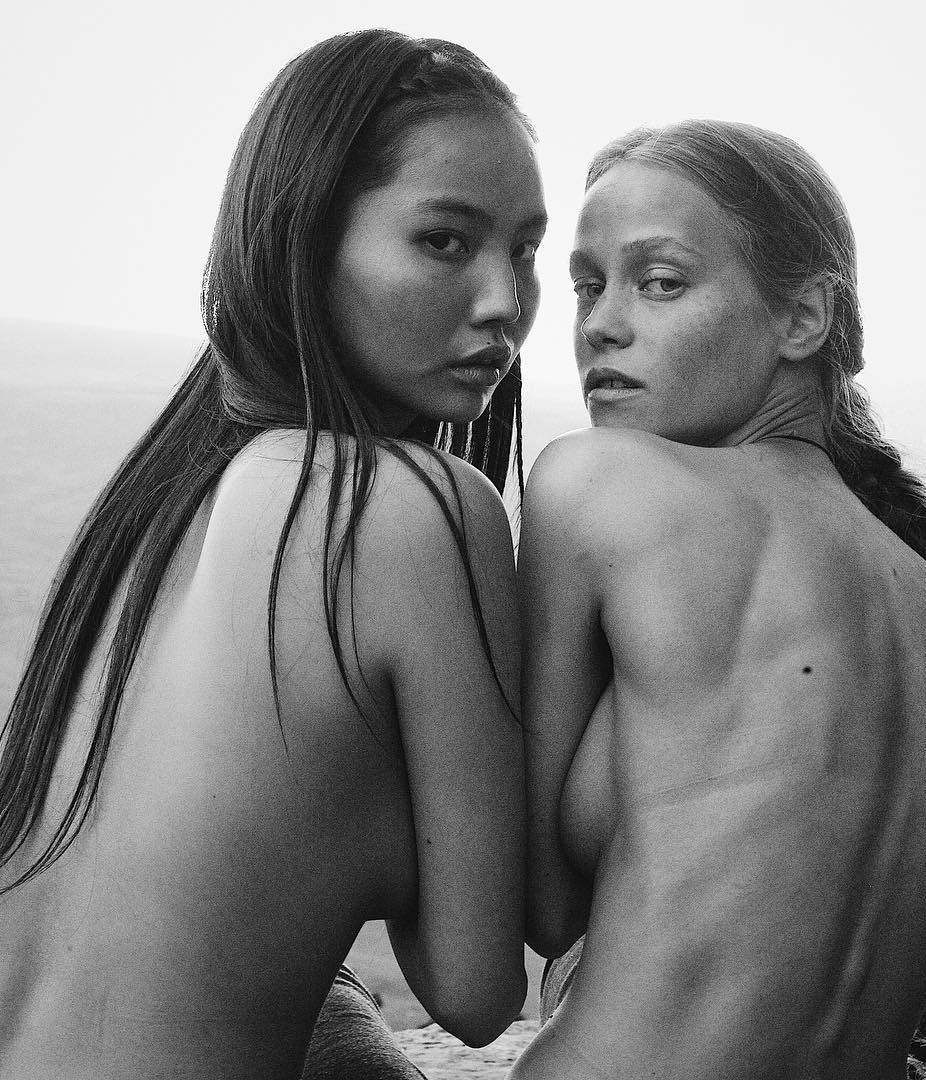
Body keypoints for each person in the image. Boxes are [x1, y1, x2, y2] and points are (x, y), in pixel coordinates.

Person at [0, 30, 546, 1080]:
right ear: (305, 245)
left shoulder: (153, 503)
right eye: (444, 241)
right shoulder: (414, 508)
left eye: (524, 250)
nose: (503, 302)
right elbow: (477, 990)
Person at [512, 121, 926, 1080]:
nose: (602, 324)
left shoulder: (599, 485)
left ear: (803, 319)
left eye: (661, 281)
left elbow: (539, 907)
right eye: (587, 285)